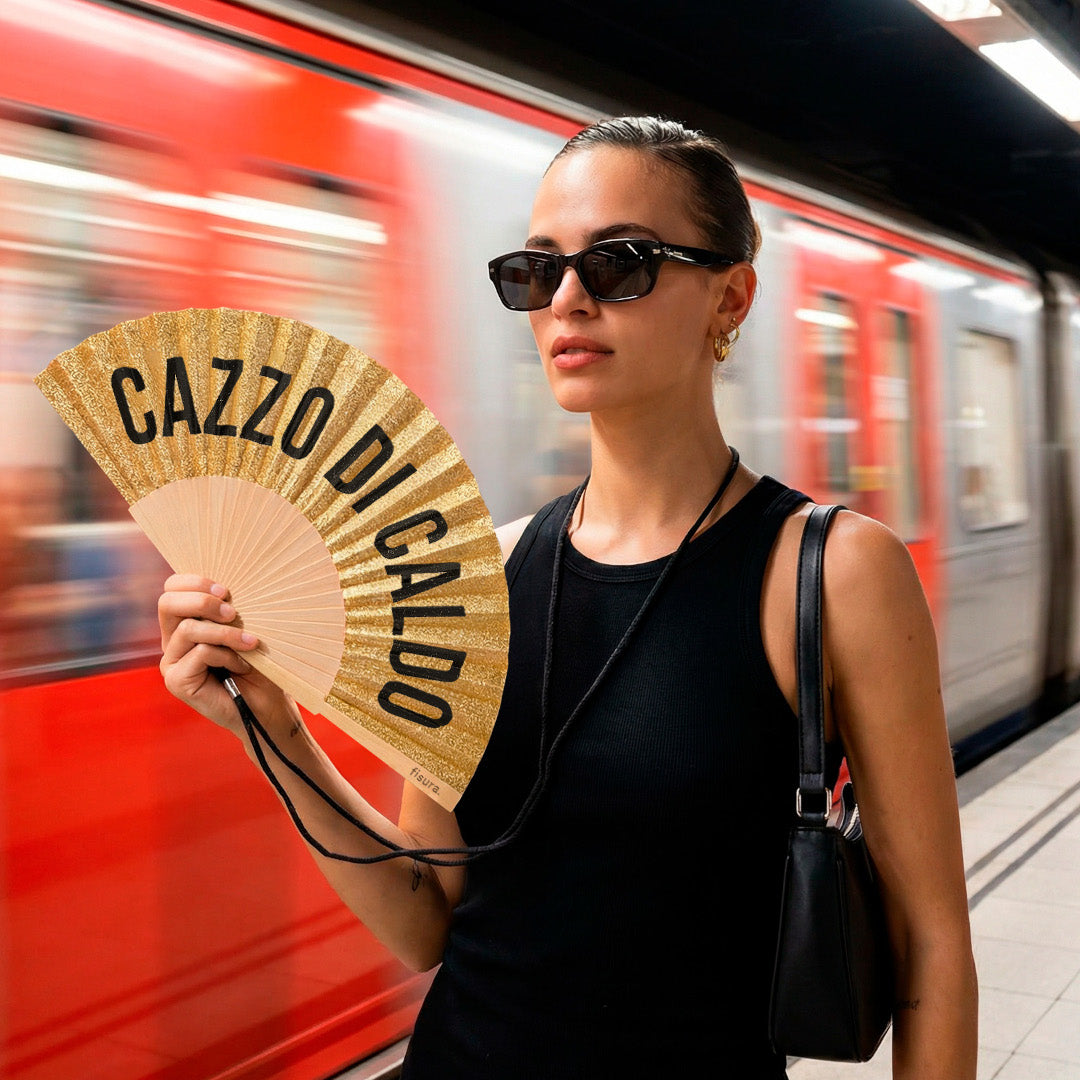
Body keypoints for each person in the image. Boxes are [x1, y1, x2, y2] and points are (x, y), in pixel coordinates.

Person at [158, 116, 977, 1078]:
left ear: (731, 295)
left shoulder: (832, 571)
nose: (569, 299)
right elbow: (427, 920)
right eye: (539, 270)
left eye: (621, 261)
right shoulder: (481, 577)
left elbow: (932, 948)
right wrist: (276, 732)